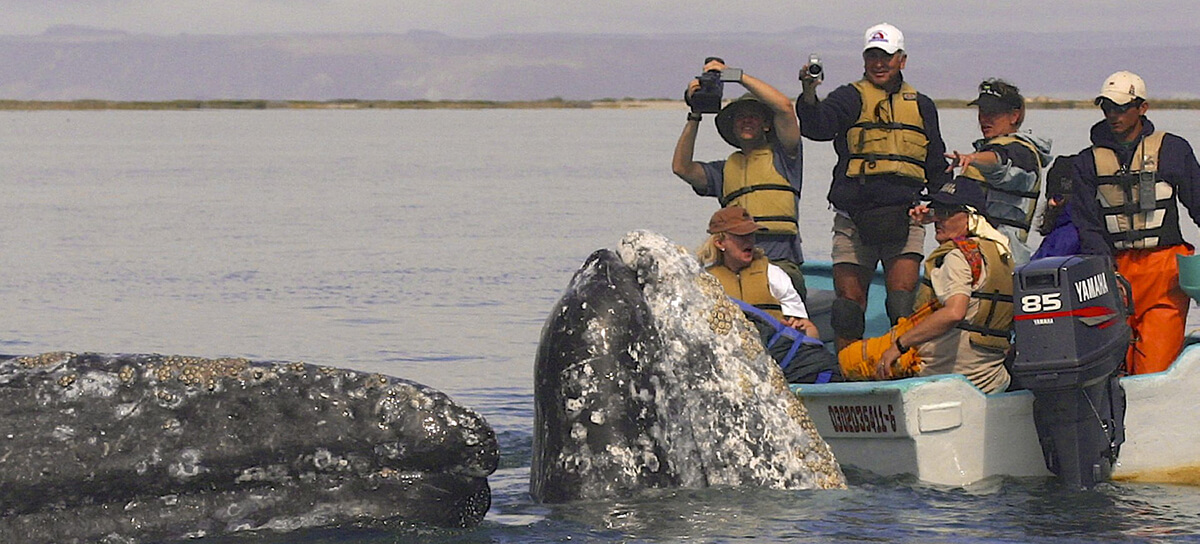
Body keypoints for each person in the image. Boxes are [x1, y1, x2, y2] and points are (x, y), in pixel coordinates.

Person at [796, 22, 951, 350]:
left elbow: (936, 164)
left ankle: (902, 368)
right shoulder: (849, 97)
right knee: (848, 307)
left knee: (901, 306)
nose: (879, 64)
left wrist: (942, 208)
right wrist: (809, 93)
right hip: (853, 219)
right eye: (872, 56)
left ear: (902, 60)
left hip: (905, 219)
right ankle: (847, 372)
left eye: (887, 56)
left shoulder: (922, 106)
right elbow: (818, 127)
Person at [1070, 71, 1200, 375]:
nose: (1112, 115)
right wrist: (1106, 270)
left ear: (1142, 107)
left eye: (1121, 107)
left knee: (1154, 366)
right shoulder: (1086, 162)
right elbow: (1086, 224)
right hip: (1114, 274)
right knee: (1114, 366)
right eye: (1107, 108)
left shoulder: (1173, 149)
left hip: (1165, 273)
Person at [843, 180, 1014, 394]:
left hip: (946, 374)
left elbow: (954, 312)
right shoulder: (1001, 254)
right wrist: (924, 219)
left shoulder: (956, 256)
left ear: (971, 217)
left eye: (947, 212)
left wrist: (899, 346)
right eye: (937, 211)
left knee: (849, 361)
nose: (938, 219)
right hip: (991, 377)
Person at [673, 58, 807, 299]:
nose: (746, 120)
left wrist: (736, 76)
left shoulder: (786, 158)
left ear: (766, 124)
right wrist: (695, 113)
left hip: (780, 261)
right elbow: (681, 167)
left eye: (753, 116)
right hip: (735, 266)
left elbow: (785, 108)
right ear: (732, 127)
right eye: (740, 117)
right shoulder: (723, 171)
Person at [697, 206, 840, 383]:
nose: (749, 241)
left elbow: (811, 333)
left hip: (777, 365)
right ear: (720, 243)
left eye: (751, 235)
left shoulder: (774, 274)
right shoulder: (705, 281)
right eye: (741, 236)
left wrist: (800, 328)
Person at [946, 79, 1051, 266]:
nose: (985, 119)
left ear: (1014, 116)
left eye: (993, 112)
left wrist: (974, 158)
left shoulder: (1021, 152)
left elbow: (1000, 162)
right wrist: (929, 213)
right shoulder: (984, 151)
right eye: (982, 111)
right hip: (972, 251)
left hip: (1003, 257)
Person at [1031, 155, 1082, 259]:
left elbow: (1039, 270)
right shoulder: (1093, 231)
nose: (1051, 203)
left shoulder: (1065, 237)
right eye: (1049, 197)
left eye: (1057, 198)